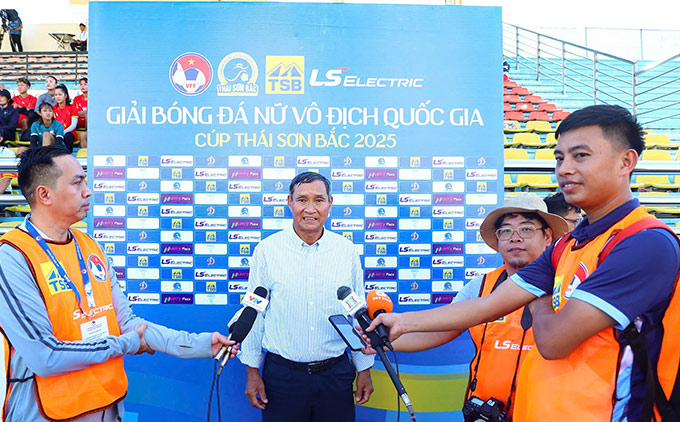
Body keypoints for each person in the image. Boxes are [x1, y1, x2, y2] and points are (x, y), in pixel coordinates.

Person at [367, 105, 680, 422]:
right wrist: (402, 322)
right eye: (559, 158)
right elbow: (488, 305)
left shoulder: (644, 242)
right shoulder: (569, 245)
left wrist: (539, 296)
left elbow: (554, 342)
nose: (565, 169)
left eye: (580, 156)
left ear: (626, 161)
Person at [0, 146, 237, 422]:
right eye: (77, 183)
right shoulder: (13, 256)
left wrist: (199, 344)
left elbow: (129, 324)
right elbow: (46, 357)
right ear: (44, 194)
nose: (88, 191)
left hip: (107, 406)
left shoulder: (90, 246)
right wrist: (124, 344)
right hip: (48, 412)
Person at [362, 193, 568, 418]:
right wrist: (381, 342)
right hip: (486, 412)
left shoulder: (567, 285)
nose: (515, 238)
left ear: (548, 236)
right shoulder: (481, 286)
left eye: (526, 229)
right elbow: (441, 331)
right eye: (506, 231)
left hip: (548, 413)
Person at [240, 171, 374, 422]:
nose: (310, 209)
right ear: (289, 203)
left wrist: (364, 368)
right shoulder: (267, 251)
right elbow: (254, 312)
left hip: (336, 375)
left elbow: (358, 314)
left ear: (330, 204)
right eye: (302, 200)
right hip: (283, 377)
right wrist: (251, 369)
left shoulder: (346, 251)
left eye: (319, 200)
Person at [52, 84, 79, 150]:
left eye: (60, 95)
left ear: (65, 96)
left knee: (68, 136)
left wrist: (63, 132)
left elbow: (73, 125)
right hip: (56, 133)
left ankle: (68, 154)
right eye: (56, 95)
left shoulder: (72, 108)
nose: (57, 97)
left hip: (69, 133)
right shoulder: (53, 108)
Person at [72, 77, 88, 146]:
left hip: (89, 126)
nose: (83, 86)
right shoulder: (76, 99)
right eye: (81, 84)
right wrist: (84, 112)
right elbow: (74, 113)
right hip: (77, 125)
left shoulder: (94, 98)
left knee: (87, 116)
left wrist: (82, 113)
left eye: (85, 84)